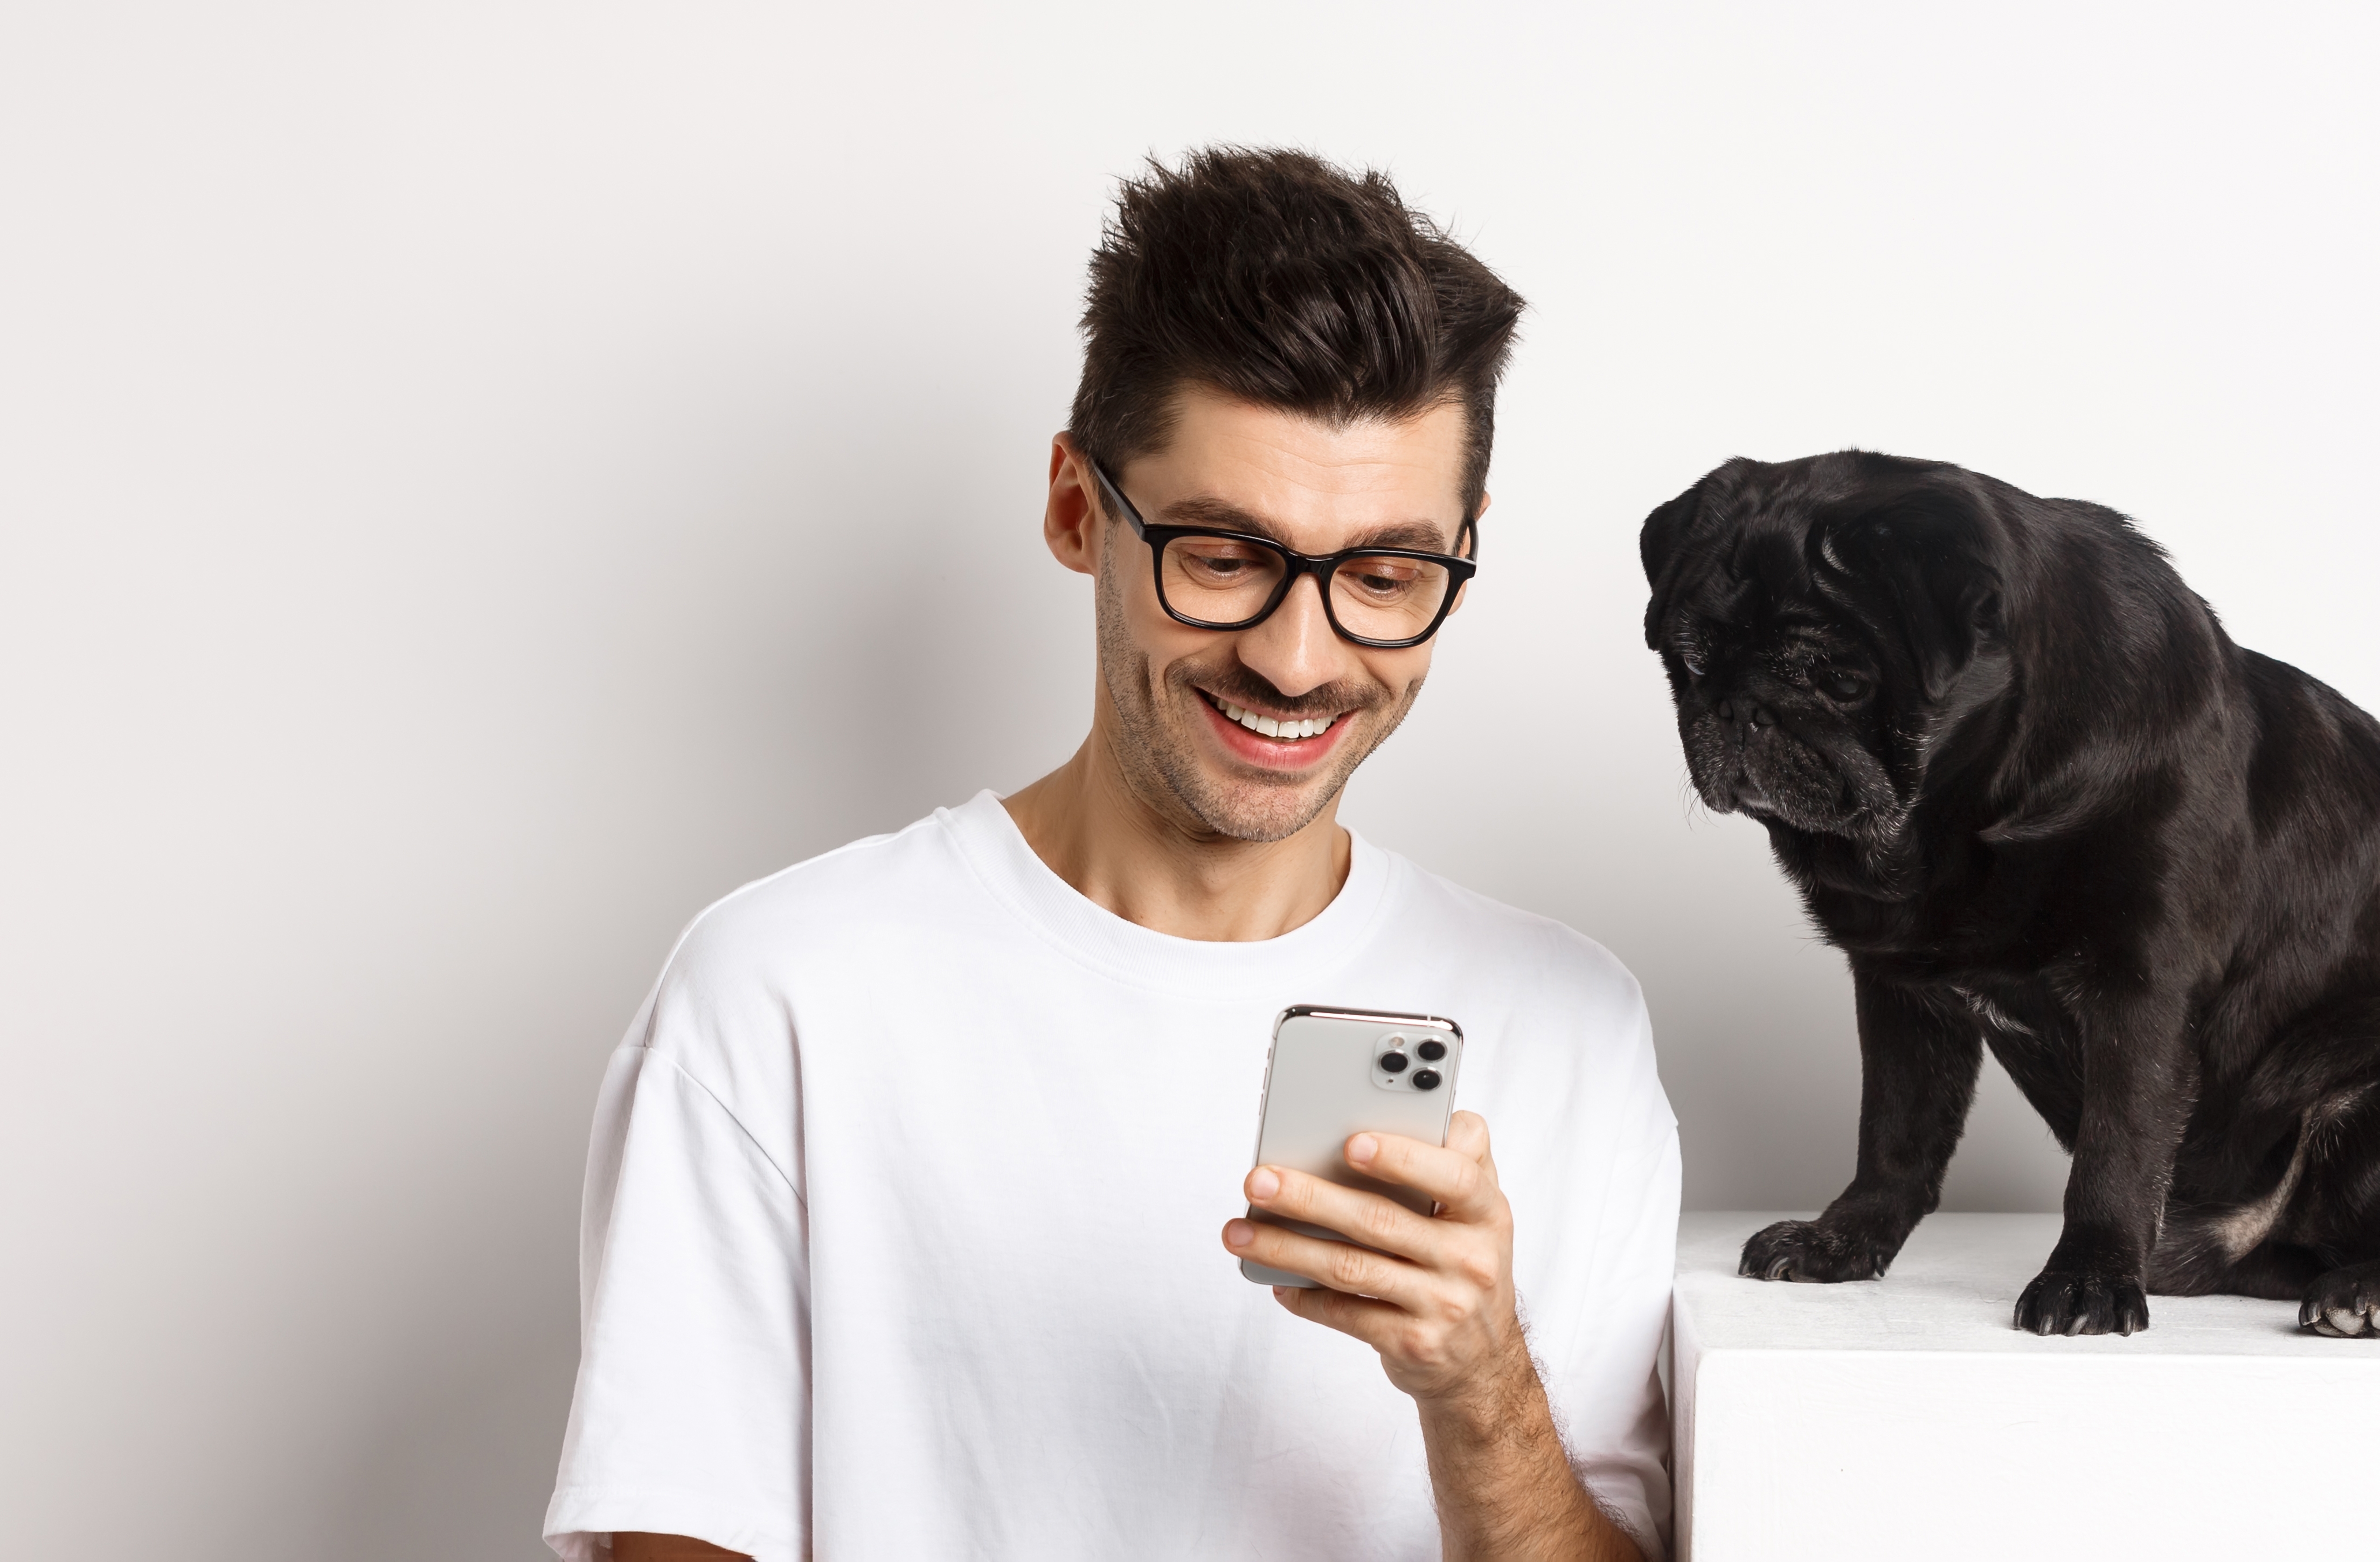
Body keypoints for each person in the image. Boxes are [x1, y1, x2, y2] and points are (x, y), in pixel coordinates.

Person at [544, 150, 1676, 1562]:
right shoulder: (781, 995)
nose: (1296, 654)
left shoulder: (1570, 1025)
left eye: (1383, 575)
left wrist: (1479, 1388)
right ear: (1080, 508)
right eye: (1222, 555)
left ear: (1460, 555)